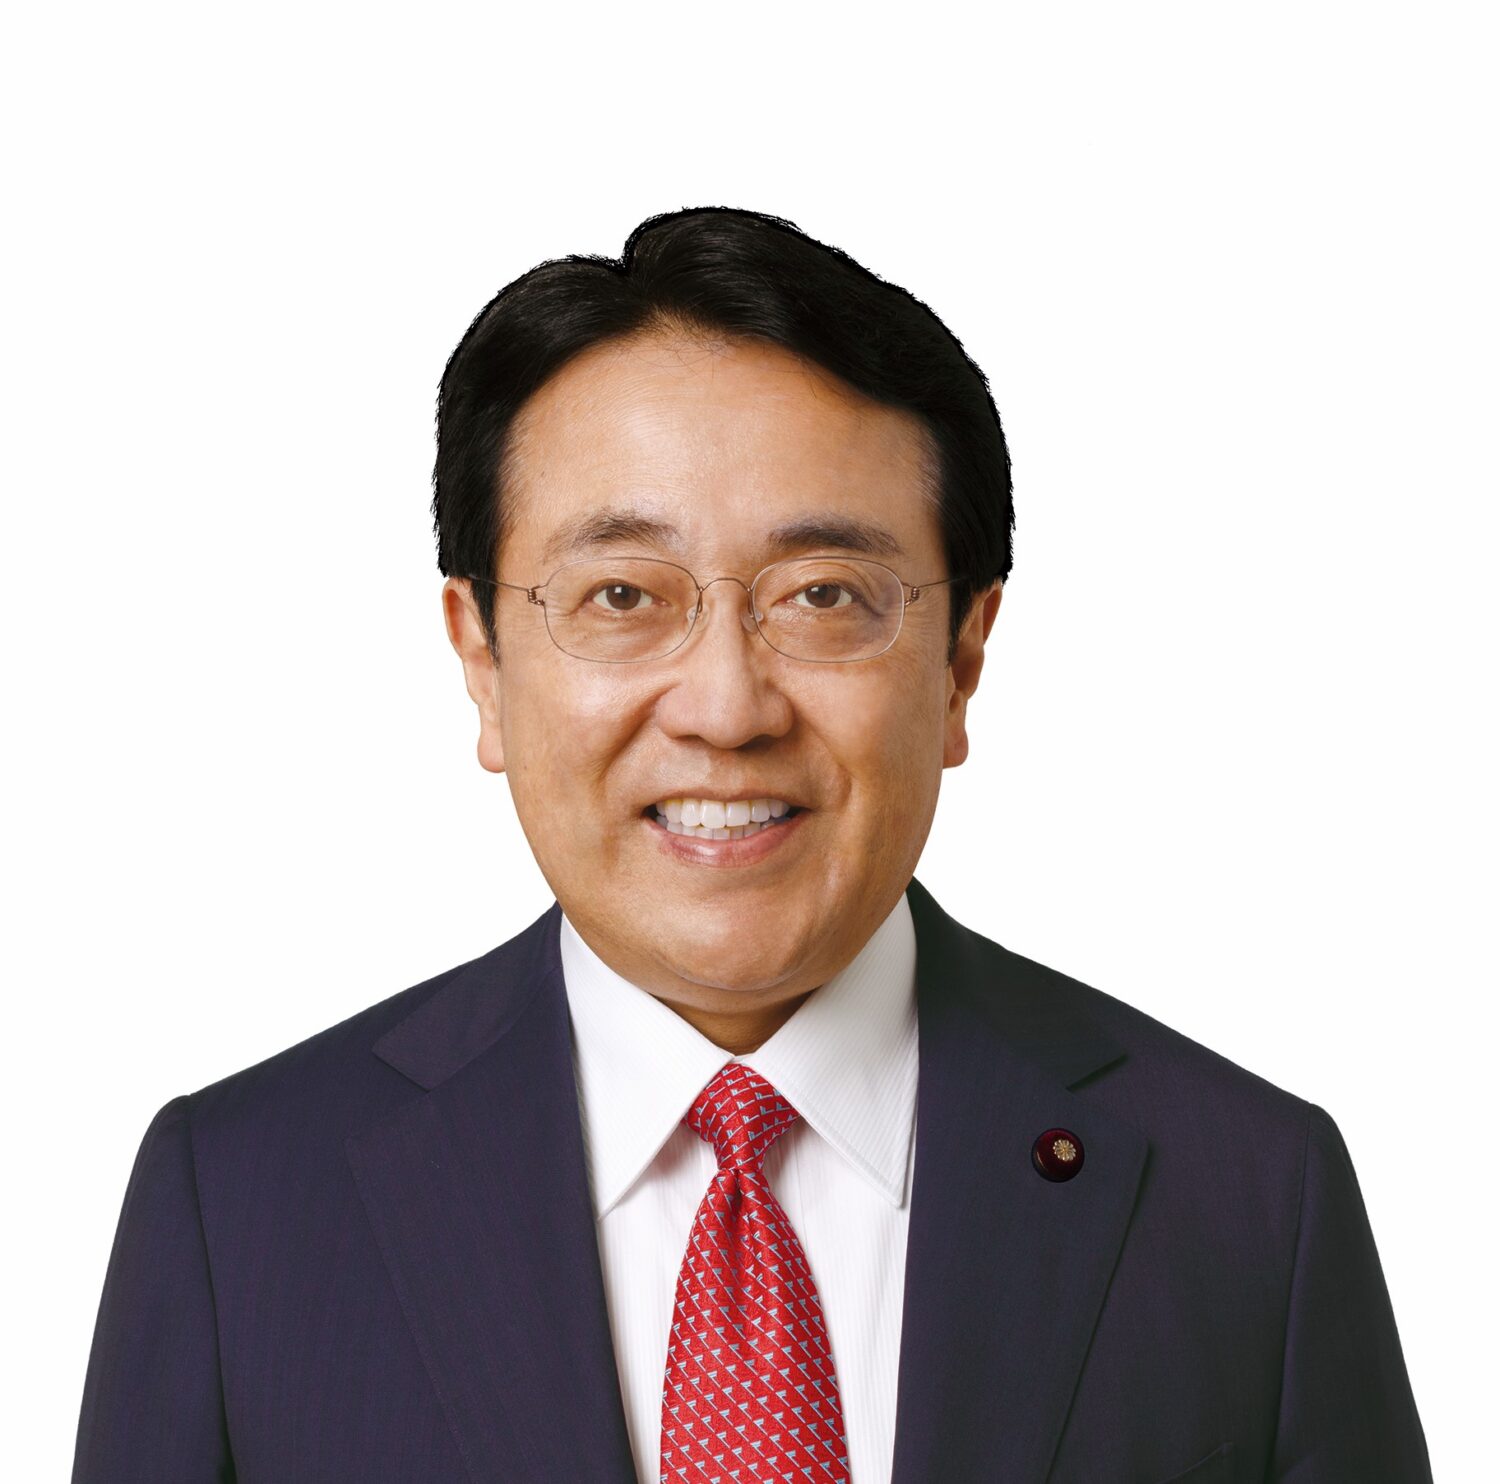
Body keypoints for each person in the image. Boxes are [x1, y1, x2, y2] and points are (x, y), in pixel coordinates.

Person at [70, 206, 1432, 1484]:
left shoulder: (1249, 1200)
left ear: (962, 661)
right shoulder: (238, 1206)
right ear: (480, 658)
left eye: (824, 595)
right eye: (621, 594)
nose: (726, 708)